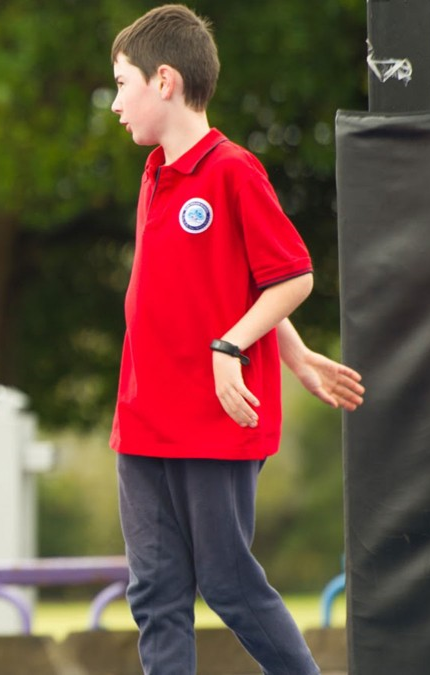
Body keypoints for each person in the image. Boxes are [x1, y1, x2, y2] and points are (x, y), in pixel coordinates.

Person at [108, 5, 363, 674]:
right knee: (155, 593)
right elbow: (238, 279)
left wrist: (230, 348)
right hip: (141, 419)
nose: (114, 104)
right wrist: (295, 351)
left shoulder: (232, 170)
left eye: (121, 84)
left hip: (213, 416)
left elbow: (291, 274)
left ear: (163, 81)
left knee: (226, 583)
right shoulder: (153, 171)